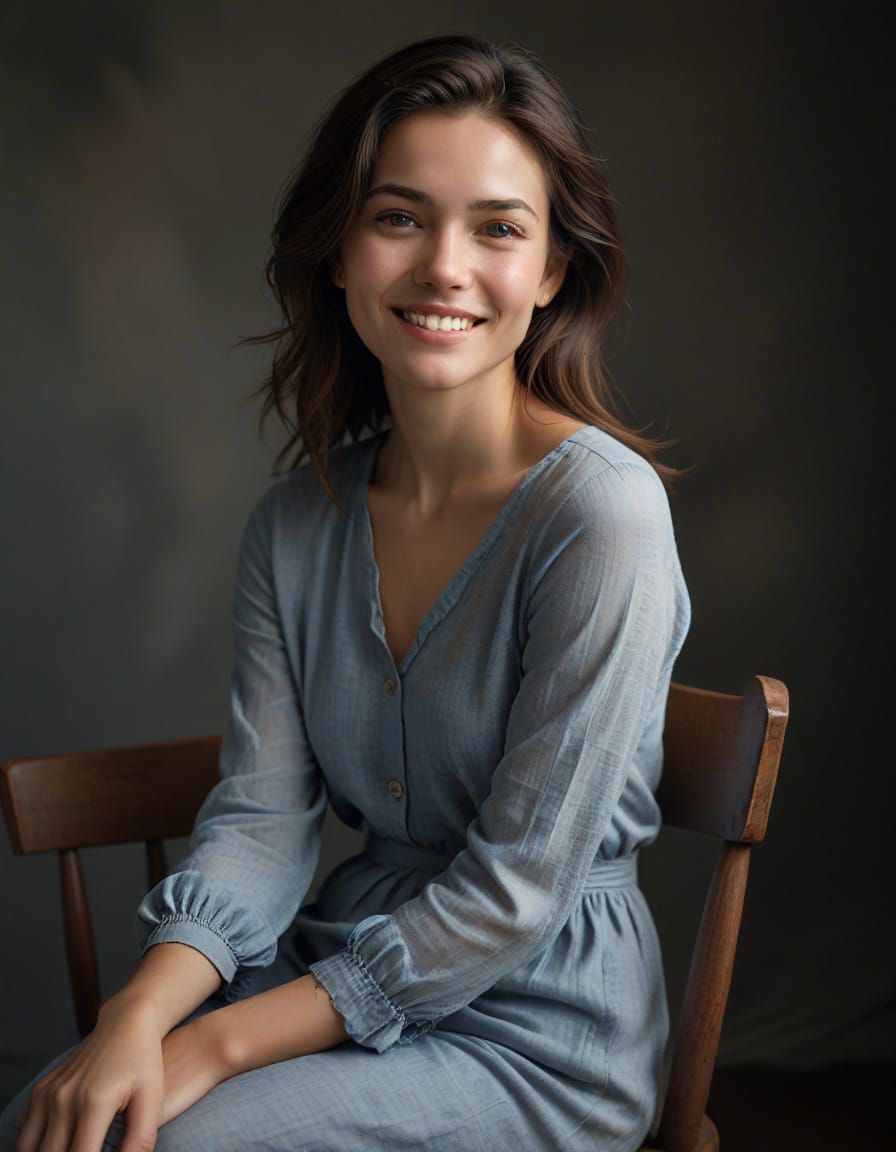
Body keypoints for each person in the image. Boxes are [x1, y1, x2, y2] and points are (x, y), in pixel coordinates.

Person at [1, 31, 691, 1152]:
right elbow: (264, 823)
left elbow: (513, 894)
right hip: (337, 967)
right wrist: (137, 1014)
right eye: (399, 217)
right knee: (51, 1120)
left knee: (168, 1139)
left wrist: (211, 1044)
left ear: (551, 271)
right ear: (338, 251)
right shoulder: (295, 523)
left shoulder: (598, 514)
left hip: (535, 1033)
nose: (444, 269)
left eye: (497, 229)